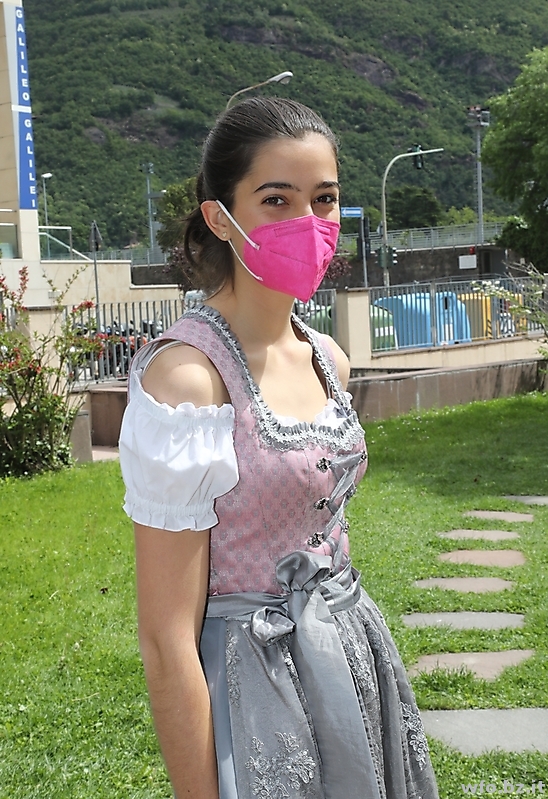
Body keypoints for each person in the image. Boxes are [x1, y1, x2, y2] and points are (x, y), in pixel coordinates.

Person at [119, 97, 439, 799]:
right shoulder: (190, 380)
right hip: (255, 688)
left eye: (324, 199)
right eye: (276, 200)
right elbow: (167, 639)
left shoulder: (329, 359)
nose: (309, 222)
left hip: (352, 659)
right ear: (219, 217)